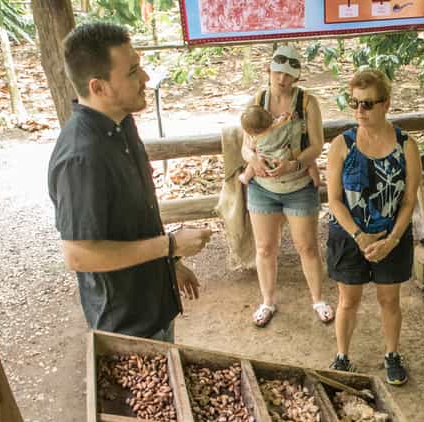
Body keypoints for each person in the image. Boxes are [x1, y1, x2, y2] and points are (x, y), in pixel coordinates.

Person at [48, 22, 212, 342]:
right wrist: (170, 245)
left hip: (154, 302)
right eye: (133, 71)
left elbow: (135, 214)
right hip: (125, 323)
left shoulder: (122, 124)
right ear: (99, 87)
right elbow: (78, 255)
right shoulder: (81, 156)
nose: (146, 79)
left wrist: (170, 262)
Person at [325, 69, 420, 385]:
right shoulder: (343, 144)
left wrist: (392, 240)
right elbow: (335, 200)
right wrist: (359, 234)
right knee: (348, 301)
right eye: (354, 103)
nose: (359, 111)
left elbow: (408, 201)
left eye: (367, 104)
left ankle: (392, 354)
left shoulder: (406, 146)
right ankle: (342, 357)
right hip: (351, 234)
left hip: (391, 235)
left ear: (386, 104)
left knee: (389, 300)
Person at [240, 45, 333, 327]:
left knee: (307, 246)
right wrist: (253, 161)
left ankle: (318, 299)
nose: (282, 80)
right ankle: (267, 301)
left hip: (298, 184)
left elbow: (317, 145)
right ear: (268, 71)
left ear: (296, 78)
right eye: (278, 73)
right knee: (265, 247)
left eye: (288, 75)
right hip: (263, 187)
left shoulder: (307, 103)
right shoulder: (257, 101)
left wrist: (293, 165)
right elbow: (246, 146)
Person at [238, 103, 322, 188]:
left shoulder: (256, 138)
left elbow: (251, 148)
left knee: (251, 166)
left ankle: (245, 177)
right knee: (310, 163)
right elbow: (287, 122)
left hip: (267, 161)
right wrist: (285, 117)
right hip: (285, 157)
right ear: (269, 116)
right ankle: (316, 181)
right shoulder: (278, 126)